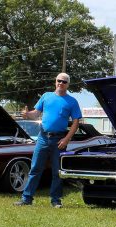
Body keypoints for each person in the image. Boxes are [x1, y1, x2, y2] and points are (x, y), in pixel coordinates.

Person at [14, 73, 82, 208]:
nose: (61, 83)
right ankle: (26, 199)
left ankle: (56, 200)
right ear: (55, 82)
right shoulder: (46, 96)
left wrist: (66, 139)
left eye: (64, 81)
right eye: (59, 81)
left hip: (59, 140)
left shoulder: (72, 101)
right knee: (35, 169)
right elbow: (36, 113)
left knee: (57, 172)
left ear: (68, 84)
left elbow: (75, 123)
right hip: (43, 138)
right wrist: (27, 114)